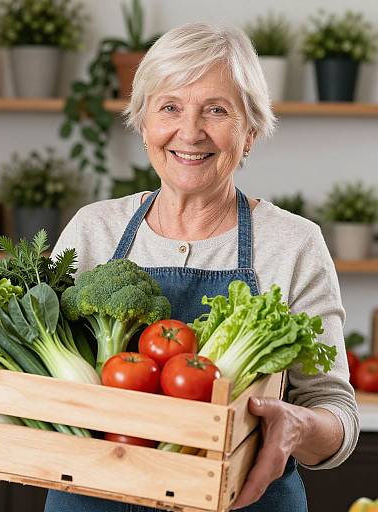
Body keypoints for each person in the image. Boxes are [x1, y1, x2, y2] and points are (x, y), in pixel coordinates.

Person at [43, 22, 359, 512]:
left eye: (216, 110)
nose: (189, 132)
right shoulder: (94, 230)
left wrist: (296, 426)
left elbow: (336, 412)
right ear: (143, 122)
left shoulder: (293, 244)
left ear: (249, 131)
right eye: (169, 107)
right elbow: (37, 380)